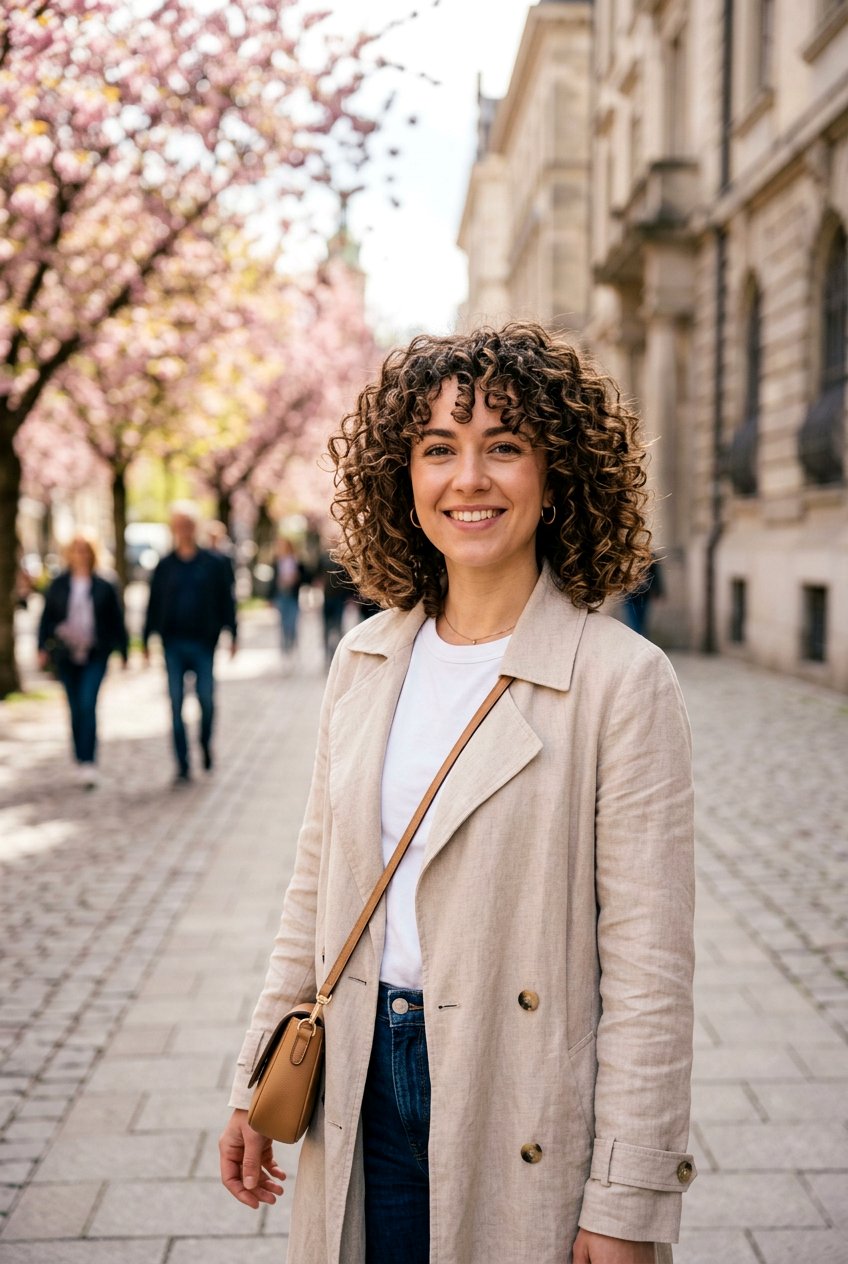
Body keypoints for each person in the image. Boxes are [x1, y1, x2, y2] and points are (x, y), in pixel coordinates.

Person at [219, 324, 697, 1264]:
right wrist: (254, 1080)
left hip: (515, 1093)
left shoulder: (621, 680)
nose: (467, 478)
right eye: (438, 449)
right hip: (357, 1079)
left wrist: (627, 1195)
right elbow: (316, 895)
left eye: (504, 447)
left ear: (558, 477)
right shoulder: (364, 661)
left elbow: (650, 970)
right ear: (404, 477)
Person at [143, 504, 237, 784]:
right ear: (173, 529)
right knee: (175, 704)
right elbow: (153, 604)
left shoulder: (214, 563)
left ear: (195, 528)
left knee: (206, 700)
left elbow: (226, 601)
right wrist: (147, 638)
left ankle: (205, 744)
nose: (183, 530)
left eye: (188, 524)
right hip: (172, 644)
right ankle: (182, 762)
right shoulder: (164, 565)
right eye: (179, 524)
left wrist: (233, 633)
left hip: (203, 643)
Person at [38, 532, 128, 788]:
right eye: (76, 550)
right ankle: (79, 756)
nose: (80, 555)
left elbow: (116, 620)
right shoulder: (58, 583)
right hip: (66, 654)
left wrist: (123, 651)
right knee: (75, 707)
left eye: (85, 549)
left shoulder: (105, 584)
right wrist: (41, 647)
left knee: (88, 704)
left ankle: (89, 761)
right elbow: (46, 618)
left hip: (95, 653)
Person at [270, 536, 308, 658]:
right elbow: (272, 581)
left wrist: (296, 577)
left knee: (292, 623)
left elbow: (306, 577)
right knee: (283, 625)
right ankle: (284, 651)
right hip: (281, 595)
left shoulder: (296, 561)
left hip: (292, 595)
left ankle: (293, 649)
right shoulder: (277, 561)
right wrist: (270, 597)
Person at [621, 553, 665, 638]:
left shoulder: (650, 557)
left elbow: (656, 575)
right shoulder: (627, 554)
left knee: (641, 621)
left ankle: (639, 640)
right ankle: (638, 640)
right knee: (634, 621)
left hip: (643, 594)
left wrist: (658, 591)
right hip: (630, 594)